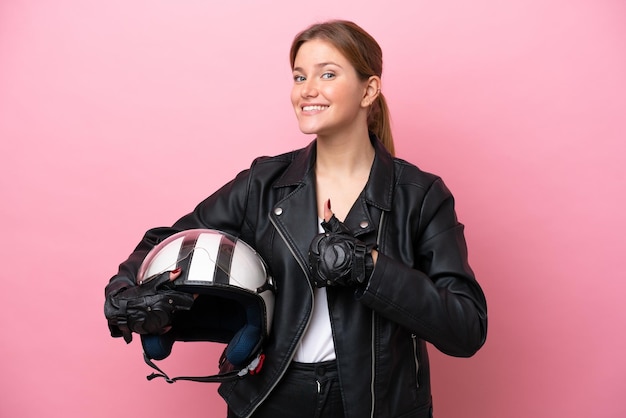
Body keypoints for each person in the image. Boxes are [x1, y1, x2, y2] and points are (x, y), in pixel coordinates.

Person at [104, 20, 487, 418]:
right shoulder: (263, 183)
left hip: (376, 406)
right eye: (299, 76)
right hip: (271, 397)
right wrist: (123, 288)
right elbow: (167, 239)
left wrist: (367, 268)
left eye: (327, 74)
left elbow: (466, 327)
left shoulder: (421, 196)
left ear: (369, 90)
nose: (307, 89)